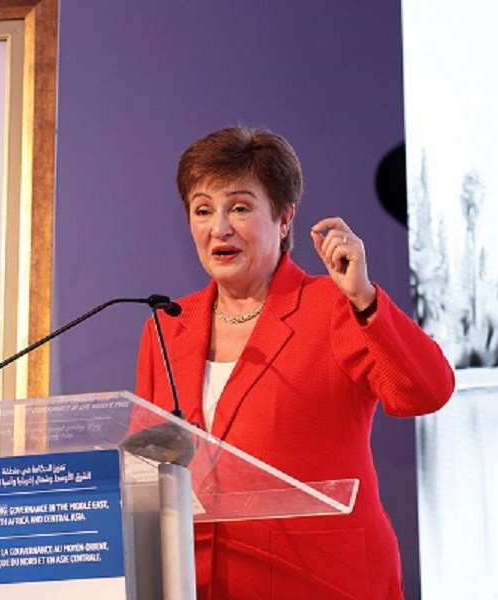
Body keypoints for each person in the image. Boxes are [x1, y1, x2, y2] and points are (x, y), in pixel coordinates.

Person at [136, 126, 454, 599]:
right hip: (203, 581)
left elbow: (426, 391)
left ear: (285, 219)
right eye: (202, 210)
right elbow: (148, 470)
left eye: (239, 207)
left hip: (320, 580)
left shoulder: (333, 305)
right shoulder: (167, 327)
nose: (218, 227)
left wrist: (366, 300)